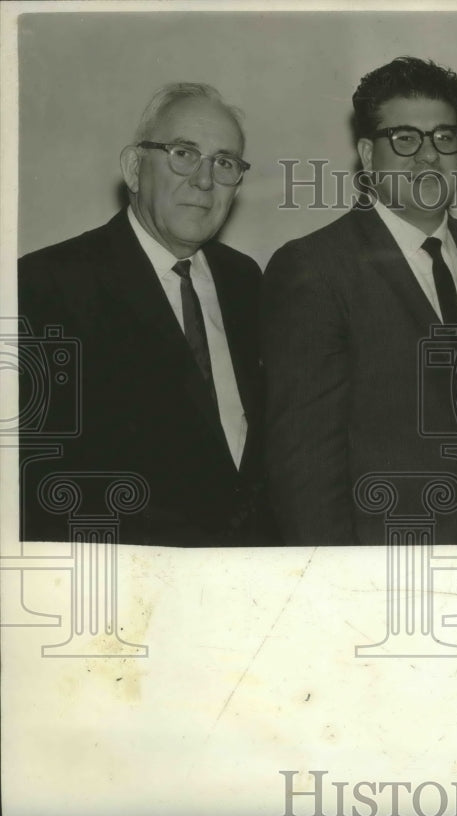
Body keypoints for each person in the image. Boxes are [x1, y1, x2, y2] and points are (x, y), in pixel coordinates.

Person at [263, 57, 457, 545]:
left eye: (444, 136)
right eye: (404, 138)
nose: (428, 156)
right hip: (377, 581)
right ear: (366, 153)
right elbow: (304, 471)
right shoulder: (314, 267)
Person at [18, 82, 274, 546]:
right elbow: (34, 487)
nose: (204, 180)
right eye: (183, 153)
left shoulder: (246, 281)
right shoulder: (45, 286)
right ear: (134, 169)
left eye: (225, 162)